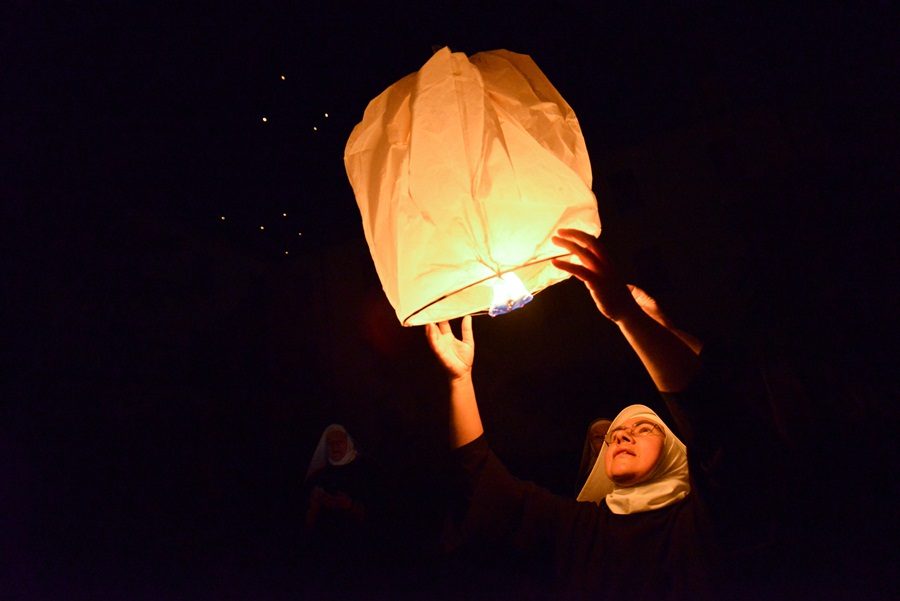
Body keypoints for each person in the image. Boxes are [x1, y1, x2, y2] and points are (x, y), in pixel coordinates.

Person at [425, 228, 783, 600]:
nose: (620, 435)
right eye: (614, 435)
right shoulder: (577, 529)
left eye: (643, 428)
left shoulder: (707, 520)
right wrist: (459, 380)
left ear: (675, 455)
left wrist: (631, 318)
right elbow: (480, 479)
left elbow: (719, 425)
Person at [300, 423, 386, 589]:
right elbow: (305, 522)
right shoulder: (318, 477)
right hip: (326, 556)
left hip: (360, 555)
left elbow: (381, 515)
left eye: (340, 441)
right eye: (330, 442)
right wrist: (313, 508)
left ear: (349, 442)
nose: (335, 446)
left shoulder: (367, 472)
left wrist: (350, 506)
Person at [574, 417, 612, 496]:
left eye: (609, 435)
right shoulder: (586, 480)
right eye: (598, 437)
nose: (605, 442)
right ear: (591, 444)